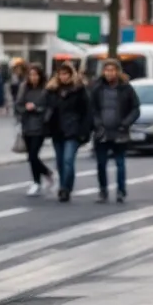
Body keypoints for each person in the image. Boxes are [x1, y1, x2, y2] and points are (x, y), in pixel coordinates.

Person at [90, 59, 141, 204]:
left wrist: (125, 123)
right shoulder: (97, 87)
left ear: (118, 72)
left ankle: (121, 191)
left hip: (119, 131)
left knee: (120, 163)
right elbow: (92, 109)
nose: (109, 73)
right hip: (102, 131)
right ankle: (103, 190)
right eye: (107, 70)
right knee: (101, 163)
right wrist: (97, 124)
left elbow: (135, 108)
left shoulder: (126, 88)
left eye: (112, 70)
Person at [45, 62, 93, 203]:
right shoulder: (52, 90)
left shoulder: (79, 90)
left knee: (68, 160)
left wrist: (84, 131)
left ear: (71, 75)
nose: (63, 76)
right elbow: (48, 107)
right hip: (57, 130)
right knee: (60, 162)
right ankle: (63, 185)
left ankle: (65, 189)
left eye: (66, 74)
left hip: (73, 130)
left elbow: (86, 112)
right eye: (61, 74)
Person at [15, 64, 56, 196]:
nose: (33, 78)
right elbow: (18, 105)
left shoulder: (46, 89)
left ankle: (39, 180)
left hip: (40, 126)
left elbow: (50, 107)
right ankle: (42, 177)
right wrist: (25, 108)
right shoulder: (24, 88)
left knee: (33, 155)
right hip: (27, 125)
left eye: (35, 75)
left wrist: (37, 109)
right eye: (31, 75)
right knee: (31, 157)